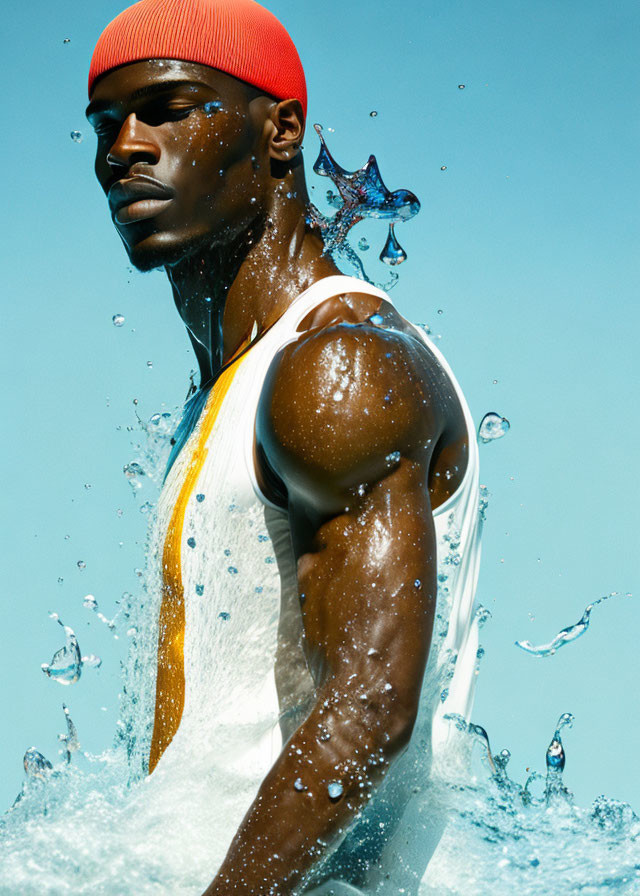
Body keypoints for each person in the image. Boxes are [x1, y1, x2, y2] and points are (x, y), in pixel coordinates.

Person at [86, 0, 482, 892]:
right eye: (106, 126)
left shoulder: (337, 368)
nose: (124, 149)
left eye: (170, 109)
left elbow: (371, 709)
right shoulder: (233, 389)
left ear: (281, 131)